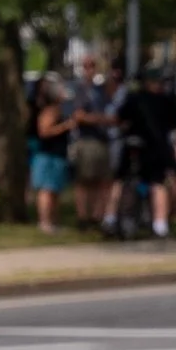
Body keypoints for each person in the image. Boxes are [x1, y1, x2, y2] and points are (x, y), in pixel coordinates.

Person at [114, 67, 176, 240]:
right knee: (157, 184)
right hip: (156, 148)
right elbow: (175, 123)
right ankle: (159, 224)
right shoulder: (165, 101)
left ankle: (114, 218)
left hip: (135, 146)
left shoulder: (134, 99)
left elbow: (121, 118)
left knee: (125, 181)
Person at [67, 66, 116, 231]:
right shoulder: (80, 90)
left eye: (93, 65)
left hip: (102, 140)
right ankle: (83, 217)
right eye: (87, 66)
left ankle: (97, 216)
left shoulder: (101, 91)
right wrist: (101, 119)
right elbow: (79, 116)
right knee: (84, 180)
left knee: (101, 181)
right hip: (86, 140)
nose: (90, 70)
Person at [27, 74, 72, 235]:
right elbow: (44, 131)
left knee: (55, 191)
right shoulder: (50, 111)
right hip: (47, 155)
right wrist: (66, 126)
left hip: (58, 154)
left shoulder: (58, 109)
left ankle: (54, 222)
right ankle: (45, 222)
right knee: (46, 190)